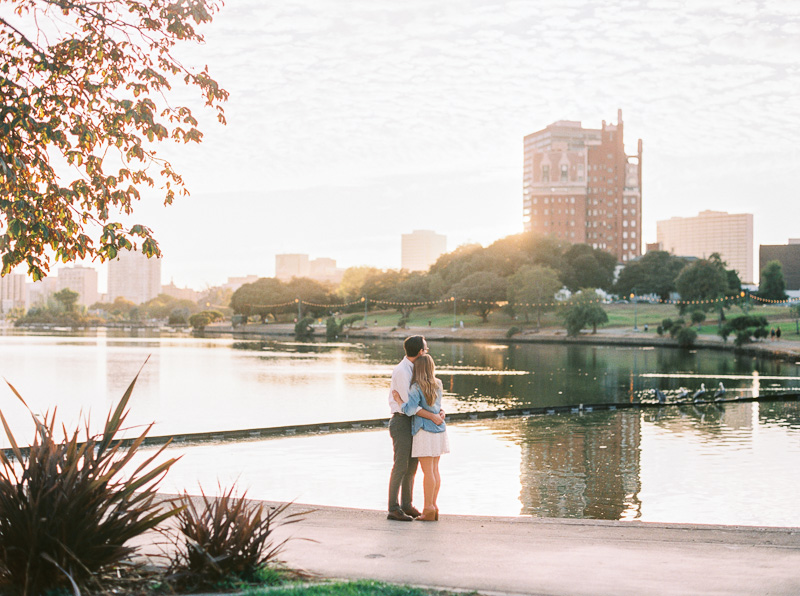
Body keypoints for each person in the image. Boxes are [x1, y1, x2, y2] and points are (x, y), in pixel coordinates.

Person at [386, 335, 443, 522]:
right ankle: (393, 508)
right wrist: (434, 415)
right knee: (401, 465)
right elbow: (410, 408)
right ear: (420, 351)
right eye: (425, 349)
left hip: (414, 422)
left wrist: (438, 410)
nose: (426, 351)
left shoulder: (416, 369)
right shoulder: (403, 371)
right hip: (402, 421)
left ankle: (407, 505)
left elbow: (422, 401)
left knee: (412, 467)